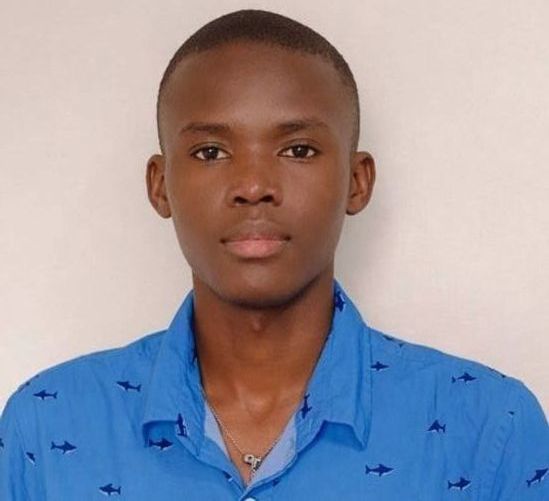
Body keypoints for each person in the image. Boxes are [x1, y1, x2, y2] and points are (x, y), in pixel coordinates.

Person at [1, 8, 547, 500]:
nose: (254, 186)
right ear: (160, 186)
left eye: (298, 149)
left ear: (357, 182)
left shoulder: (489, 430)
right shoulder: (44, 430)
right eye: (210, 152)